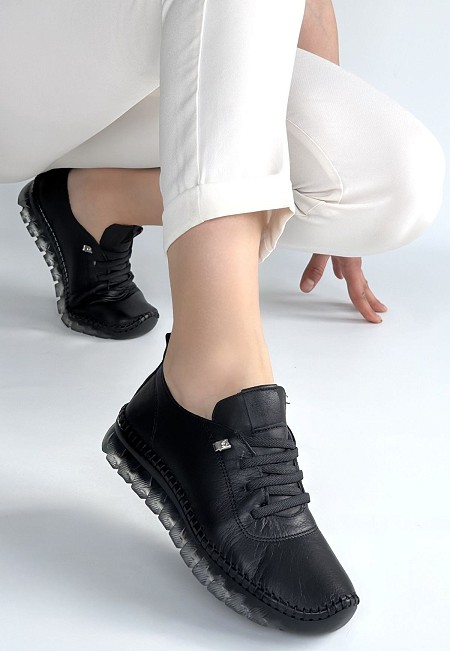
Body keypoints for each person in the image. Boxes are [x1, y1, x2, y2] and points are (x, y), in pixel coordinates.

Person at [0, 0, 445, 633]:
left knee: (392, 183)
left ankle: (90, 200)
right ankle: (211, 383)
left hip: (135, 67)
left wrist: (313, 162)